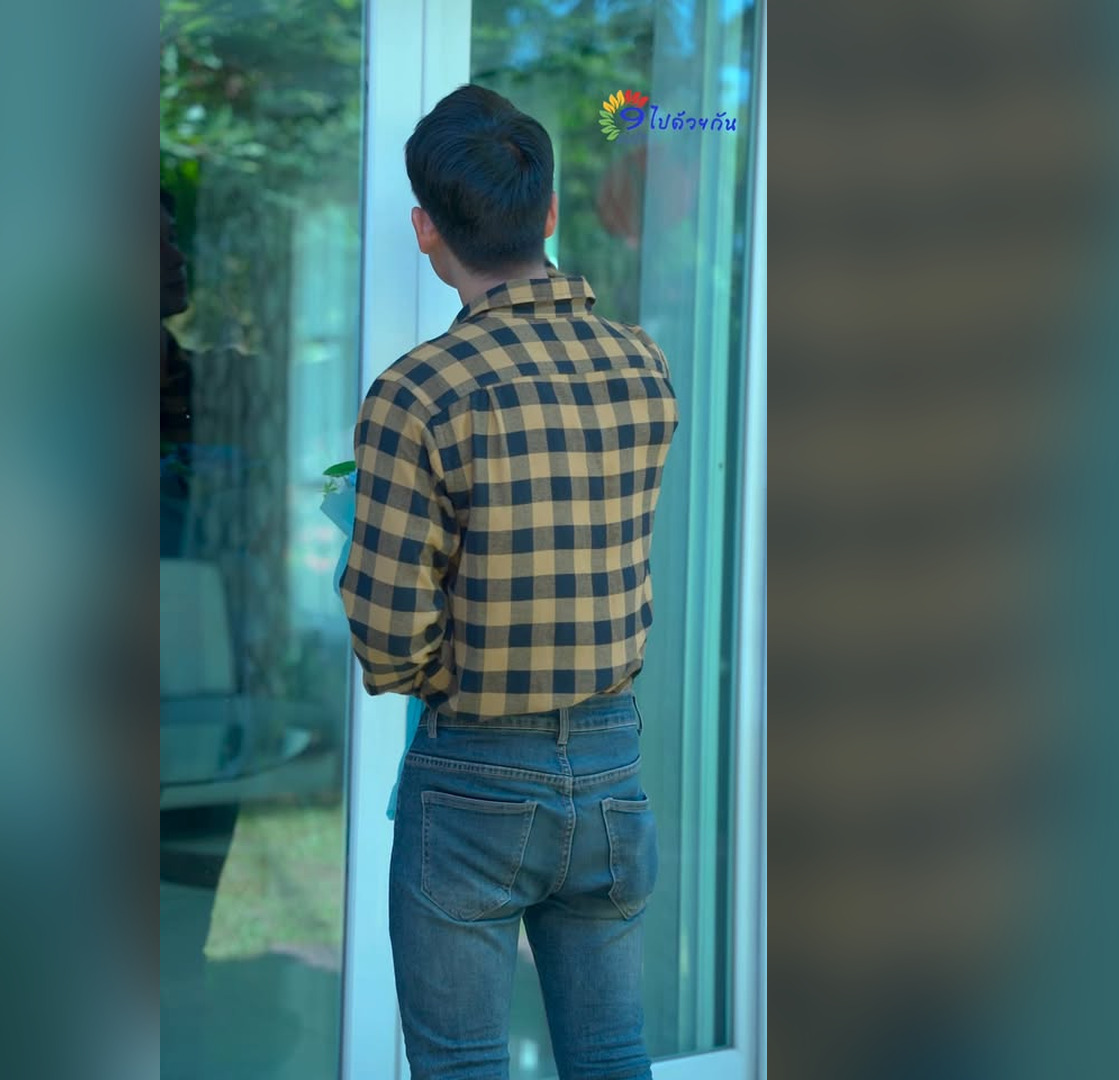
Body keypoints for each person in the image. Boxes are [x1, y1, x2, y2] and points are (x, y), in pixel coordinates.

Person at [339, 84, 679, 1080]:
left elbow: (388, 646)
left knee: (463, 1066)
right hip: (613, 767)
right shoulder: (642, 367)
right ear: (551, 214)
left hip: (476, 772)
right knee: (613, 1053)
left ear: (425, 231)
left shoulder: (418, 392)